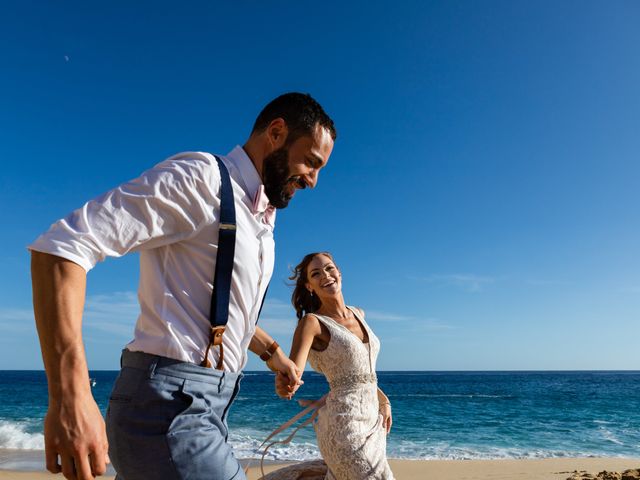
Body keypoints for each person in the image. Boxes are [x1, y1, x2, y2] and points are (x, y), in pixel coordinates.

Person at [29, 93, 336, 480]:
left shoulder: (260, 219)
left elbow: (217, 311)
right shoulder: (201, 178)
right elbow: (60, 248)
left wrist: (275, 356)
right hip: (168, 409)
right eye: (311, 161)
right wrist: (70, 398)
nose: (313, 180)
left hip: (203, 409)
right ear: (276, 132)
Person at [267, 252, 394, 480]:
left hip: (374, 425)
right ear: (309, 286)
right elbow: (293, 371)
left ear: (339, 273)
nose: (326, 275)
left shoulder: (359, 313)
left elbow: (363, 375)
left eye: (329, 268)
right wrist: (285, 383)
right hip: (344, 428)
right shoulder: (312, 323)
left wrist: (384, 401)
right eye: (316, 274)